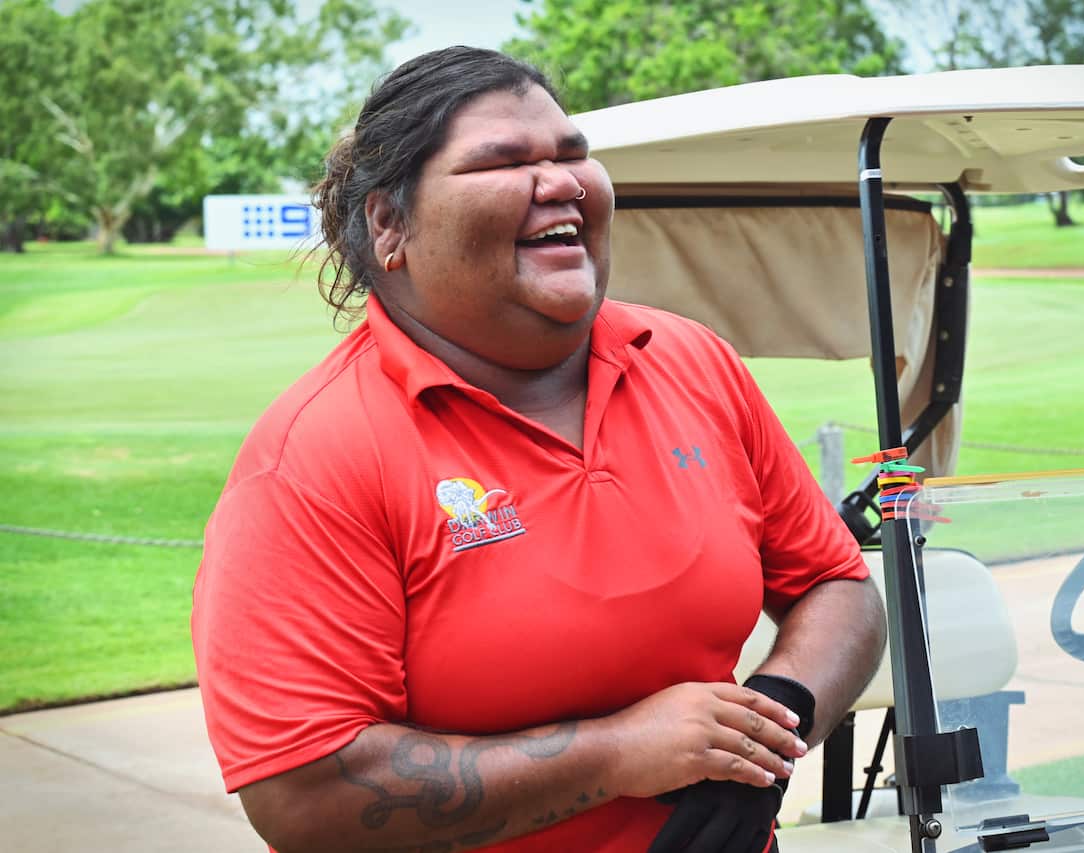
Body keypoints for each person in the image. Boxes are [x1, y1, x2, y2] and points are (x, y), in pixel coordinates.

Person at [191, 46, 886, 853]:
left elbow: (837, 583)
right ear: (390, 224)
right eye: (505, 161)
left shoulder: (693, 361)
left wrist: (771, 724)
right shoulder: (314, 457)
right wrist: (621, 753)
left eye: (571, 154)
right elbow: (300, 793)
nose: (559, 182)